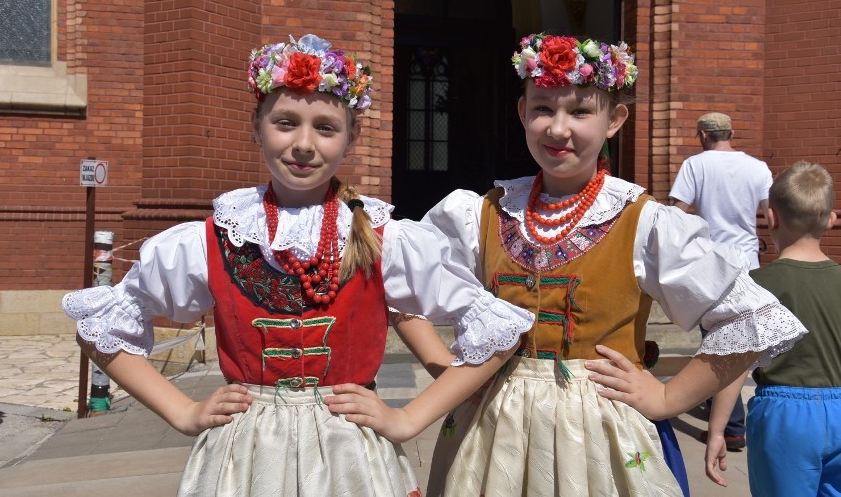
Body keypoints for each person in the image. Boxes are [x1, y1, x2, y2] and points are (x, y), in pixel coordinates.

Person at [331, 32, 807, 496]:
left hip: (599, 432)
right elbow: (394, 285)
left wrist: (667, 398)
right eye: (542, 108)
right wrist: (444, 369)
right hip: (491, 429)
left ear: (614, 120)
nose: (558, 128)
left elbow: (749, 317)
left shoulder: (643, 222)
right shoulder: (483, 212)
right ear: (522, 113)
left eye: (580, 110)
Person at [62, 33, 535, 497]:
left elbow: (496, 329)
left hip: (351, 456)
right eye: (286, 122)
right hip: (247, 456)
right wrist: (182, 412)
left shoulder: (382, 237)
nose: (304, 144)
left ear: (351, 138)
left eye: (325, 128)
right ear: (256, 126)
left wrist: (408, 418)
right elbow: (101, 327)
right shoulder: (212, 238)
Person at [705, 161, 840, 495]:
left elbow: (734, 362)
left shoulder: (755, 285)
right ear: (832, 219)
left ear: (771, 218)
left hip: (784, 413)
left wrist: (718, 429)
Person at [669, 111, 773, 451]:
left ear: (702, 134)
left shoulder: (696, 165)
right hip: (749, 263)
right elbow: (772, 217)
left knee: (716, 344)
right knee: (750, 338)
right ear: (730, 133)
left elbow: (676, 212)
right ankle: (744, 416)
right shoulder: (758, 167)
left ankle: (731, 425)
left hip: (712, 266)